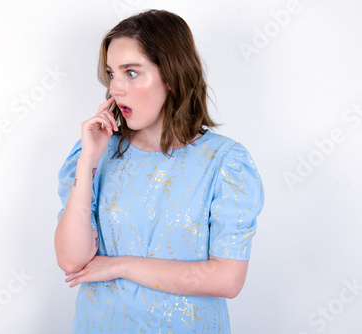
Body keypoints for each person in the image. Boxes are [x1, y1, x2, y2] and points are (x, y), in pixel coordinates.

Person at [54, 9, 265, 333]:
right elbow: (72, 261)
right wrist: (89, 161)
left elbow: (228, 279)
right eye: (112, 73)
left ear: (172, 74)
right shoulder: (95, 153)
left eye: (132, 73)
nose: (116, 89)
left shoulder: (225, 162)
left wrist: (120, 266)